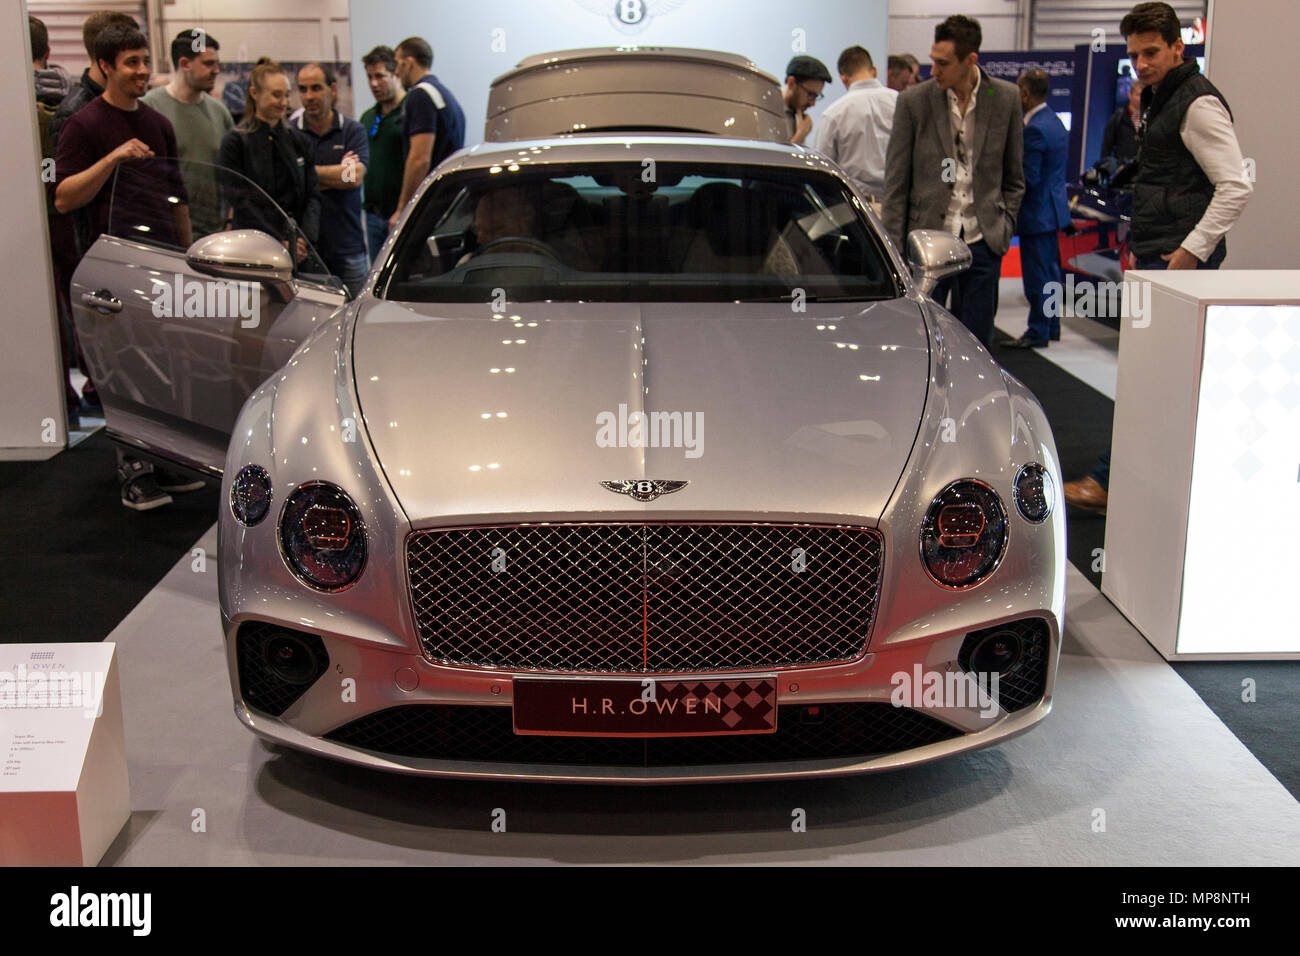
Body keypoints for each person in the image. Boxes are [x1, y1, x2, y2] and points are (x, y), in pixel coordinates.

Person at [1064, 2, 1252, 515]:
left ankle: (1110, 483)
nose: (1142, 63)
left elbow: (1236, 186)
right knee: (1159, 379)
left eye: (1152, 52)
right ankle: (1147, 486)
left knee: (1153, 379)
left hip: (1178, 266)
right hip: (1160, 259)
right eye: (1135, 55)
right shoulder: (1163, 99)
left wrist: (1191, 252)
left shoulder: (1195, 103)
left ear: (1177, 47)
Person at [53, 23, 198, 511]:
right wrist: (113, 158)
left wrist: (189, 255)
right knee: (124, 372)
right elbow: (64, 197)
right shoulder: (84, 125)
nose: (141, 71)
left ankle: (165, 460)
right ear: (105, 66)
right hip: (109, 270)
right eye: (130, 63)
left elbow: (176, 196)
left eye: (144, 60)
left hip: (161, 266)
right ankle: (133, 470)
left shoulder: (159, 124)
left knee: (166, 367)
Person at [882, 15, 1024, 348]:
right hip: (927, 244)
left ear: (970, 60)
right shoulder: (914, 101)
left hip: (983, 240)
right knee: (920, 341)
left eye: (943, 63)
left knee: (977, 343)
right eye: (932, 60)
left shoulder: (1005, 98)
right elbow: (896, 183)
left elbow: (1015, 178)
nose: (934, 70)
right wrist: (895, 249)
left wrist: (1003, 228)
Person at [217, 59, 321, 265]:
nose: (283, 102)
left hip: (297, 247)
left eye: (286, 95)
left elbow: (312, 195)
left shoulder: (298, 141)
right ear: (255, 93)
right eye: (276, 95)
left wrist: (301, 239)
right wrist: (278, 240)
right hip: (253, 247)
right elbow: (241, 200)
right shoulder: (235, 142)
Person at [142, 30, 234, 239]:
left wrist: (229, 219)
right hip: (166, 234)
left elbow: (233, 173)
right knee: (176, 275)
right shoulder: (149, 109)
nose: (216, 70)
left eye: (217, 63)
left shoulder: (220, 113)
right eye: (208, 64)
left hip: (213, 234)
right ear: (184, 64)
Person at [1005, 69, 1071, 349]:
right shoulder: (1053, 121)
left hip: (1037, 214)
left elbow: (1027, 177)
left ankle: (1038, 330)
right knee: (1050, 272)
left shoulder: (1034, 128)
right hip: (1053, 210)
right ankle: (1051, 325)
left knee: (1037, 276)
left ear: (1025, 93)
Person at [292, 63, 370, 298]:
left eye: (316, 88)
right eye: (303, 89)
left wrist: (307, 174)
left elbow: (352, 177)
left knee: (357, 317)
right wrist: (335, 174)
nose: (309, 96)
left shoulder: (352, 131)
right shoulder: (290, 133)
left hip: (348, 246)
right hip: (307, 250)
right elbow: (289, 183)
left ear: (332, 89)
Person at [390, 37, 466, 231]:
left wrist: (402, 209)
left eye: (397, 64)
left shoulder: (420, 96)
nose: (396, 72)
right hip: (450, 201)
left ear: (409, 62)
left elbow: (419, 159)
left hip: (432, 205)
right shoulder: (443, 93)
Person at [814, 46, 897, 207]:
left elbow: (821, 169)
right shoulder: (900, 102)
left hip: (856, 210)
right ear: (874, 70)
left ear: (843, 78)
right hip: (896, 206)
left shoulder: (834, 113)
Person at [358, 46, 406, 263]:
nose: (373, 84)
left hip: (402, 215)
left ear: (396, 74)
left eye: (379, 76)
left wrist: (402, 209)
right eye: (369, 77)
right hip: (373, 216)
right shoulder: (368, 117)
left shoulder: (410, 111)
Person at [781, 55, 832, 146]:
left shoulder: (798, 116)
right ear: (791, 83)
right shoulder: (767, 109)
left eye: (816, 96)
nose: (813, 103)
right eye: (810, 95)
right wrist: (799, 136)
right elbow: (766, 158)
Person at [1101, 79, 1143, 164]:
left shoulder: (1150, 118)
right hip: (1122, 169)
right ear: (1130, 95)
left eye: (1144, 95)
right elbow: (1106, 146)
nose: (1141, 99)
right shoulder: (1118, 117)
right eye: (1138, 95)